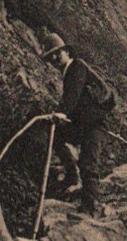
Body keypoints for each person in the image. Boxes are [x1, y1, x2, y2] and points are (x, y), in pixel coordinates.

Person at [41, 33, 114, 216]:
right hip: (83, 124)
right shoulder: (69, 72)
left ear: (66, 51)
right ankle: (72, 178)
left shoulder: (77, 66)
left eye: (57, 53)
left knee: (89, 163)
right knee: (56, 135)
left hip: (95, 125)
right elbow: (73, 99)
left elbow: (71, 96)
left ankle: (92, 207)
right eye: (50, 56)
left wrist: (62, 112)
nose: (54, 58)